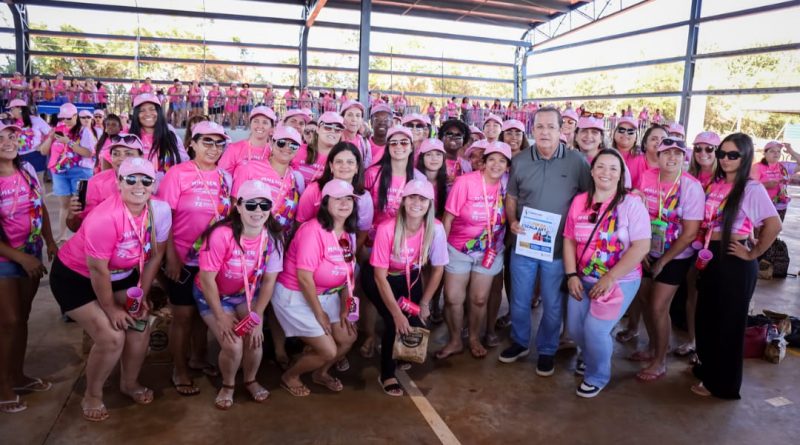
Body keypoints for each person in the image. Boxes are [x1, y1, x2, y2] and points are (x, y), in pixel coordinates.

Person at [49, 157, 171, 421]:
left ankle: (129, 383)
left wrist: (143, 293)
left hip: (122, 276)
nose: (139, 185)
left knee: (139, 325)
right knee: (111, 336)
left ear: (153, 184)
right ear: (119, 183)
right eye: (131, 179)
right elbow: (97, 270)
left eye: (146, 180)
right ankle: (93, 394)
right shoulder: (105, 217)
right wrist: (111, 309)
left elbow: (156, 257)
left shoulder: (160, 211)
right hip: (75, 277)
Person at [500, 107, 591, 377]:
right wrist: (512, 220)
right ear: (533, 129)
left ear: (562, 129)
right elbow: (512, 196)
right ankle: (519, 342)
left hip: (559, 248)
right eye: (539, 126)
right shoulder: (521, 160)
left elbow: (586, 201)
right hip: (525, 243)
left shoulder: (576, 162)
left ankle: (548, 350)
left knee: (552, 303)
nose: (544, 132)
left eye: (551, 127)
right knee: (519, 298)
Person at [692, 133, 781, 399]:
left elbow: (773, 224)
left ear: (745, 157)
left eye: (733, 155)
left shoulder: (751, 188)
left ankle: (723, 385)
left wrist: (752, 253)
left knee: (727, 326)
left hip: (734, 261)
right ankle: (707, 370)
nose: (726, 159)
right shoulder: (717, 183)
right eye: (722, 154)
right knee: (707, 319)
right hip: (711, 258)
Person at [563, 149, 650, 398]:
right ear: (592, 171)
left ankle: (597, 375)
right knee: (576, 329)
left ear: (621, 175)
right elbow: (569, 239)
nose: (606, 173)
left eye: (614, 168)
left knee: (595, 330)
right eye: (601, 166)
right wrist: (571, 275)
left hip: (619, 281)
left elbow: (641, 246)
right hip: (583, 277)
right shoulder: (580, 201)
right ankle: (589, 355)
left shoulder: (631, 205)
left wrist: (610, 277)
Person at [159, 121, 232, 397]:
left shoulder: (226, 178)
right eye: (207, 142)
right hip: (182, 258)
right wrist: (172, 258)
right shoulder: (178, 174)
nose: (213, 148)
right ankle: (179, 368)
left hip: (213, 262)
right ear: (192, 143)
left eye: (219, 143)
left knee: (204, 315)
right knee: (183, 315)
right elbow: (164, 220)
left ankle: (199, 357)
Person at [195, 179, 282, 409]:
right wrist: (220, 316)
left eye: (264, 205)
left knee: (254, 338)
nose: (258, 211)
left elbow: (270, 280)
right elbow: (206, 279)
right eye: (251, 205)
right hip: (212, 294)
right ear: (239, 206)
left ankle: (251, 379)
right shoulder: (221, 235)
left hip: (245, 294)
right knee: (232, 344)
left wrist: (258, 315)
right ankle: (228, 384)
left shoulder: (272, 238)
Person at [272, 180, 359, 397]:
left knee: (348, 338)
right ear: (325, 202)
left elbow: (348, 276)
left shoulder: (348, 233)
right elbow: (304, 278)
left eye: (349, 199)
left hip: (327, 296)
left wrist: (345, 308)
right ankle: (290, 376)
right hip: (296, 296)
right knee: (328, 349)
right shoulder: (313, 230)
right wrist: (320, 314)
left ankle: (320, 372)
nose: (344, 203)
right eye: (338, 199)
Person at [362, 180, 448, 395]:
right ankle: (387, 374)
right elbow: (380, 277)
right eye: (412, 197)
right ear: (403, 201)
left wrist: (426, 303)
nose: (416, 203)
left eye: (422, 199)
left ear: (430, 204)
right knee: (395, 322)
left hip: (410, 277)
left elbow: (438, 269)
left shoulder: (436, 229)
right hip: (379, 278)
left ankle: (398, 353)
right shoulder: (386, 229)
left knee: (416, 319)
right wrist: (396, 313)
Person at [631, 138, 704, 381]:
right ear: (657, 155)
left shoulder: (690, 186)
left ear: (685, 157)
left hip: (676, 254)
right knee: (644, 298)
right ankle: (653, 347)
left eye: (677, 154)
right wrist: (641, 251)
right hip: (646, 250)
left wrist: (664, 260)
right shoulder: (648, 177)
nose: (672, 158)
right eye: (666, 153)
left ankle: (660, 361)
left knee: (658, 306)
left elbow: (691, 233)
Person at [0, 123, 58, 414]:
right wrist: (20, 258)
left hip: (31, 254)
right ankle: (2, 385)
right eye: (0, 138)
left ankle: (17, 375)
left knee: (21, 318)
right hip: (5, 261)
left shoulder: (27, 171)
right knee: (8, 322)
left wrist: (48, 241)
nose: (7, 141)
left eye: (10, 136)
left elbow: (41, 207)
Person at [438, 142, 512, 359]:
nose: (496, 165)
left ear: (507, 166)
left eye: (502, 161)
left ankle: (473, 338)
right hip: (458, 249)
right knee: (452, 298)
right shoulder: (464, 183)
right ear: (483, 162)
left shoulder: (508, 186)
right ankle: (454, 340)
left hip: (491, 250)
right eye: (492, 159)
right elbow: (448, 218)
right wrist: (441, 252)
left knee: (479, 299)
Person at [233, 125, 305, 235]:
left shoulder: (296, 179)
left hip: (278, 242)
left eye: (293, 145)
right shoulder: (250, 168)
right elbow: (234, 203)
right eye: (281, 142)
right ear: (271, 142)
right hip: (247, 236)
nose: (287, 148)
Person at [40, 103, 96, 242]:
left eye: (68, 118)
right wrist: (50, 137)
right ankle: (62, 235)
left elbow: (88, 153)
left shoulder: (84, 131)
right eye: (62, 118)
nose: (65, 121)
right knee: (64, 205)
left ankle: (84, 237)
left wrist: (69, 142)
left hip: (80, 172)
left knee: (80, 207)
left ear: (76, 116)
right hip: (59, 173)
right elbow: (43, 151)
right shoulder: (57, 129)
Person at [66, 134, 144, 232]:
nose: (121, 158)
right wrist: (72, 214)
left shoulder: (150, 183)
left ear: (141, 157)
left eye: (128, 154)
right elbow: (75, 228)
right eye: (116, 154)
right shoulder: (95, 183)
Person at [128, 93, 188, 185]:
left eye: (152, 109)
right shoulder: (128, 139)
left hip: (170, 191)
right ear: (136, 114)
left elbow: (185, 164)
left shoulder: (172, 137)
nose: (148, 113)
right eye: (142, 110)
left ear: (159, 112)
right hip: (138, 191)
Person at [218, 106, 276, 177]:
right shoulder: (234, 149)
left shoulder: (274, 153)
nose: (260, 126)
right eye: (256, 121)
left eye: (265, 122)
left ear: (271, 129)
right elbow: (221, 178)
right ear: (250, 124)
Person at [750, 141, 800, 221]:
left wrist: (791, 151)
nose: (776, 153)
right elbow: (749, 187)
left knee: (774, 231)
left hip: (780, 206)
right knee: (760, 232)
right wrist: (766, 185)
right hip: (761, 206)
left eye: (778, 151)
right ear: (765, 153)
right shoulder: (757, 167)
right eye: (772, 151)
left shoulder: (784, 166)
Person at [293, 112, 344, 185]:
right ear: (317, 129)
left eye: (337, 129)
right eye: (327, 127)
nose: (332, 132)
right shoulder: (299, 150)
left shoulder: (341, 160)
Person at [7, 98, 51, 174]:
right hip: (17, 157)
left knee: (38, 182)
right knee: (22, 182)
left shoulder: (36, 120)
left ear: (20, 109)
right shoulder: (10, 123)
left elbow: (51, 133)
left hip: (35, 155)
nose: (10, 111)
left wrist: (43, 144)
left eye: (12, 109)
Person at [340, 100, 372, 168]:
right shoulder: (336, 139)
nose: (354, 119)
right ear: (342, 117)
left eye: (358, 116)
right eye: (350, 115)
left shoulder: (364, 143)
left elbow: (365, 168)